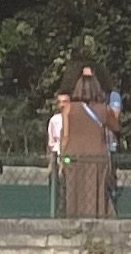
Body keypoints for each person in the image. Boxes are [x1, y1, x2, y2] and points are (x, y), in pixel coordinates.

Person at [50, 68, 117, 222]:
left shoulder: (69, 109)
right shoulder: (104, 110)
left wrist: (62, 156)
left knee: (75, 191)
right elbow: (115, 127)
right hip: (98, 156)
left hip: (74, 156)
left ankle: (74, 220)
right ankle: (98, 219)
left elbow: (65, 135)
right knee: (97, 191)